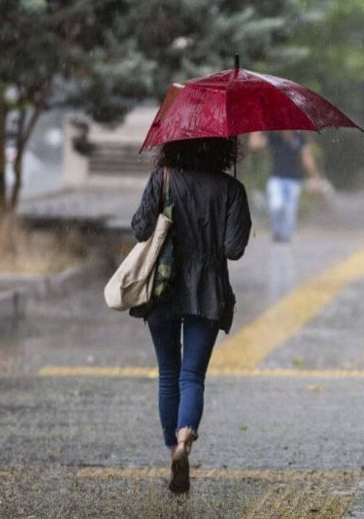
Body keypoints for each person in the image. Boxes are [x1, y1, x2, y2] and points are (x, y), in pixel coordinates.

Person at [130, 137, 251, 494]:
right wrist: (232, 206)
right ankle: (186, 438)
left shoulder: (163, 178)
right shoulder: (232, 188)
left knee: (168, 373)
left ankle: (173, 452)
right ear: (222, 148)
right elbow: (234, 249)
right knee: (192, 376)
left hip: (162, 285)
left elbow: (140, 228)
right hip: (208, 290)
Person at [251, 131, 321, 243]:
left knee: (290, 210)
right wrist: (256, 130)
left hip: (294, 180)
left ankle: (287, 236)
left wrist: (314, 176)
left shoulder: (300, 138)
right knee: (276, 205)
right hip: (276, 178)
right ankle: (276, 231)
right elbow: (254, 146)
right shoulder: (274, 136)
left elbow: (306, 157)